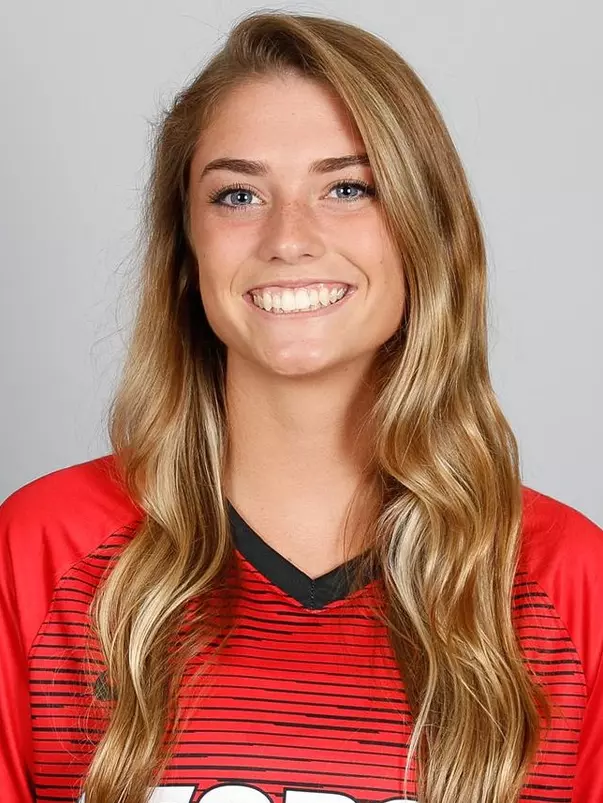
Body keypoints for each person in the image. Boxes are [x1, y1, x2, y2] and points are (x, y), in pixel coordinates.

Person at [1, 10, 601, 803]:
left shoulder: (562, 579)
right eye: (239, 194)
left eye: (347, 187)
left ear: (427, 233)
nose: (288, 237)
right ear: (186, 252)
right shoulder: (45, 546)